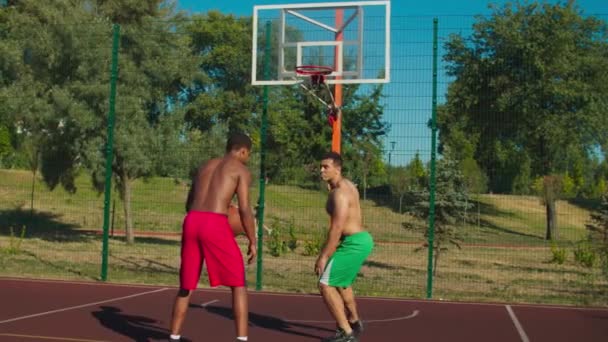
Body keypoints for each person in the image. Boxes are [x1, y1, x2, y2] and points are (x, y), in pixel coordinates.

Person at [169, 132, 257, 342]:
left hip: (192, 220)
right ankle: (242, 339)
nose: (247, 158)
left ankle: (174, 336)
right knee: (238, 284)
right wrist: (253, 240)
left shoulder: (205, 166)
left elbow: (189, 202)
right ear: (243, 151)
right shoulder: (240, 170)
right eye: (248, 155)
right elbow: (245, 209)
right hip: (215, 223)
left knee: (186, 285)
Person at [315, 152, 374, 342]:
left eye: (326, 167)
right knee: (341, 283)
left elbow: (337, 227)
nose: (321, 170)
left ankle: (347, 333)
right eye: (321, 166)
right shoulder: (347, 185)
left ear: (337, 169)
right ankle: (354, 321)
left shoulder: (340, 192)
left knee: (325, 284)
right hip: (357, 240)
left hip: (354, 242)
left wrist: (323, 256)